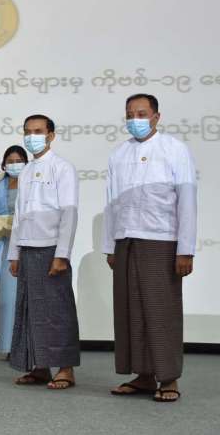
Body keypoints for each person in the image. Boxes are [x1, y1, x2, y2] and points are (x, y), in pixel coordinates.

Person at [104, 94, 196, 403]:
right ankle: (143, 375)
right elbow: (111, 202)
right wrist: (110, 245)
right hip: (126, 239)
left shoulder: (174, 149)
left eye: (142, 114)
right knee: (131, 311)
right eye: (130, 114)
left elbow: (187, 201)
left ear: (156, 116)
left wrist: (185, 249)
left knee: (161, 310)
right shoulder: (118, 154)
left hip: (161, 239)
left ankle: (168, 378)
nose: (135, 119)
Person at [8, 114, 80, 390]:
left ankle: (65, 369)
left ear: (51, 135)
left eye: (38, 131)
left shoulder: (62, 168)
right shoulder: (25, 171)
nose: (32, 137)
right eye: (27, 132)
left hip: (51, 248)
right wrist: (14, 253)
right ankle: (39, 367)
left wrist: (62, 254)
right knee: (30, 309)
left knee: (57, 310)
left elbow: (69, 212)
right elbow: (18, 215)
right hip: (27, 247)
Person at [0, 145, 28, 358]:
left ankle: (29, 347)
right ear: (3, 165)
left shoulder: (33, 186)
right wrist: (0, 225)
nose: (14, 164)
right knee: (8, 299)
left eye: (18, 161)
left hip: (30, 245)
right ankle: (9, 347)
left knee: (30, 298)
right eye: (10, 161)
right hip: (6, 246)